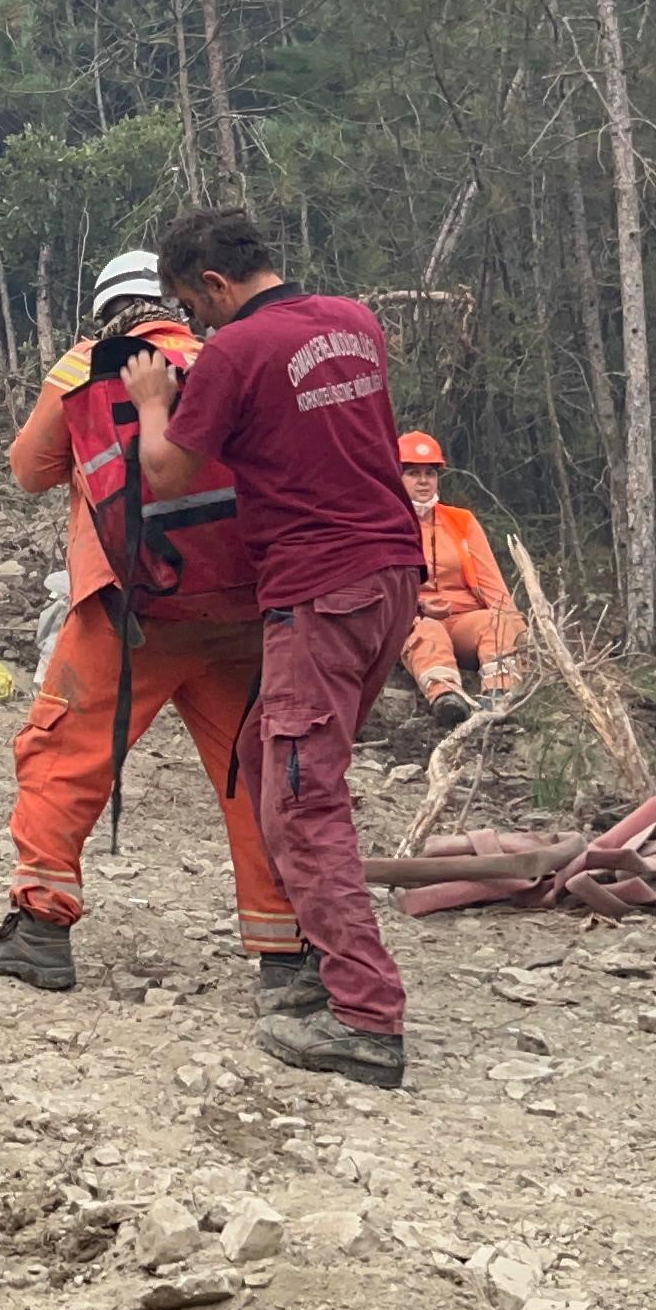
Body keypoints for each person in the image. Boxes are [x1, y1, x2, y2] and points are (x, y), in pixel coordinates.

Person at [0, 249, 308, 1009]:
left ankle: (40, 928)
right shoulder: (222, 353)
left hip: (127, 605)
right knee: (253, 772)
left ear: (105, 308)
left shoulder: (88, 364)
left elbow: (29, 468)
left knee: (61, 751)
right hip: (238, 606)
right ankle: (285, 951)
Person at [123, 210, 423, 1088]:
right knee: (266, 756)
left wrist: (152, 405)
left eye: (194, 304)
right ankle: (315, 967)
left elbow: (168, 473)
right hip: (391, 573)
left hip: (316, 590)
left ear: (213, 285)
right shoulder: (354, 322)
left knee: (302, 796)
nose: (198, 322)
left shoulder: (235, 352)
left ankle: (367, 1020)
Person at [397, 430, 525, 719]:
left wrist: (513, 623)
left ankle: (500, 694)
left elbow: (492, 583)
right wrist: (418, 606)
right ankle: (446, 698)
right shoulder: (382, 525)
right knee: (426, 630)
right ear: (397, 477)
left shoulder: (460, 521)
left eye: (430, 473)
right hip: (414, 620)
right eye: (413, 473)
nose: (423, 481)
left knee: (497, 622)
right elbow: (381, 588)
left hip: (464, 619)